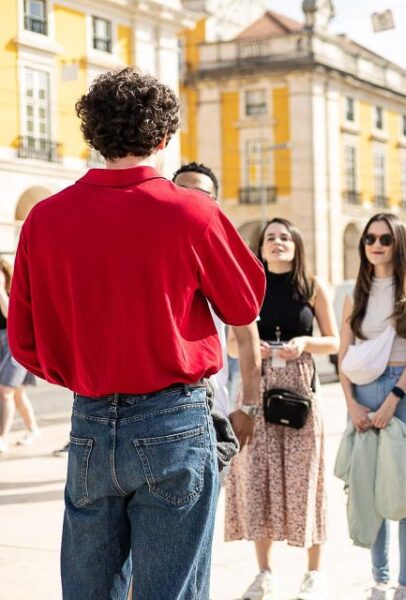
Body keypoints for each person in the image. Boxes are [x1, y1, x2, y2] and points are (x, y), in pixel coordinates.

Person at [7, 67, 266, 599]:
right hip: (172, 417)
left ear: (94, 135)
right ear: (164, 138)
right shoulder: (192, 211)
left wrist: (82, 372)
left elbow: (25, 341)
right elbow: (244, 302)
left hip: (90, 420)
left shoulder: (44, 219)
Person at [226, 217, 339, 600]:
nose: (277, 242)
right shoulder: (249, 286)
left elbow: (335, 341)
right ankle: (264, 572)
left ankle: (313, 574)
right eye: (271, 237)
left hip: (300, 391)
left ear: (296, 244)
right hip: (257, 388)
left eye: (285, 237)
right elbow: (229, 345)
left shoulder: (311, 286)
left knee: (306, 479)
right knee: (256, 478)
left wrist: (306, 342)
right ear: (260, 247)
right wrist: (250, 348)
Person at [337, 213, 406, 600]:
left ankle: (405, 584)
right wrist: (352, 406)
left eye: (385, 239)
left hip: (403, 395)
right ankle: (380, 579)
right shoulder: (352, 295)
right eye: (369, 238)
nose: (376, 245)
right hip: (360, 395)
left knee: (404, 492)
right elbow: (342, 356)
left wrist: (395, 398)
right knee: (370, 490)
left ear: (398, 244)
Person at [173, 162, 262, 450]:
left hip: (210, 409)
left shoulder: (224, 259)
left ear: (215, 204)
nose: (190, 200)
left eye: (201, 195)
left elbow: (248, 339)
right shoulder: (154, 252)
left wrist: (249, 406)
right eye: (182, 191)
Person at [0, 257, 41, 453]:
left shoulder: (11, 291)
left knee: (6, 390)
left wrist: (0, 289)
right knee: (17, 394)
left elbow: (10, 315)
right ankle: (33, 429)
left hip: (13, 345)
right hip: (1, 346)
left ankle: (2, 437)